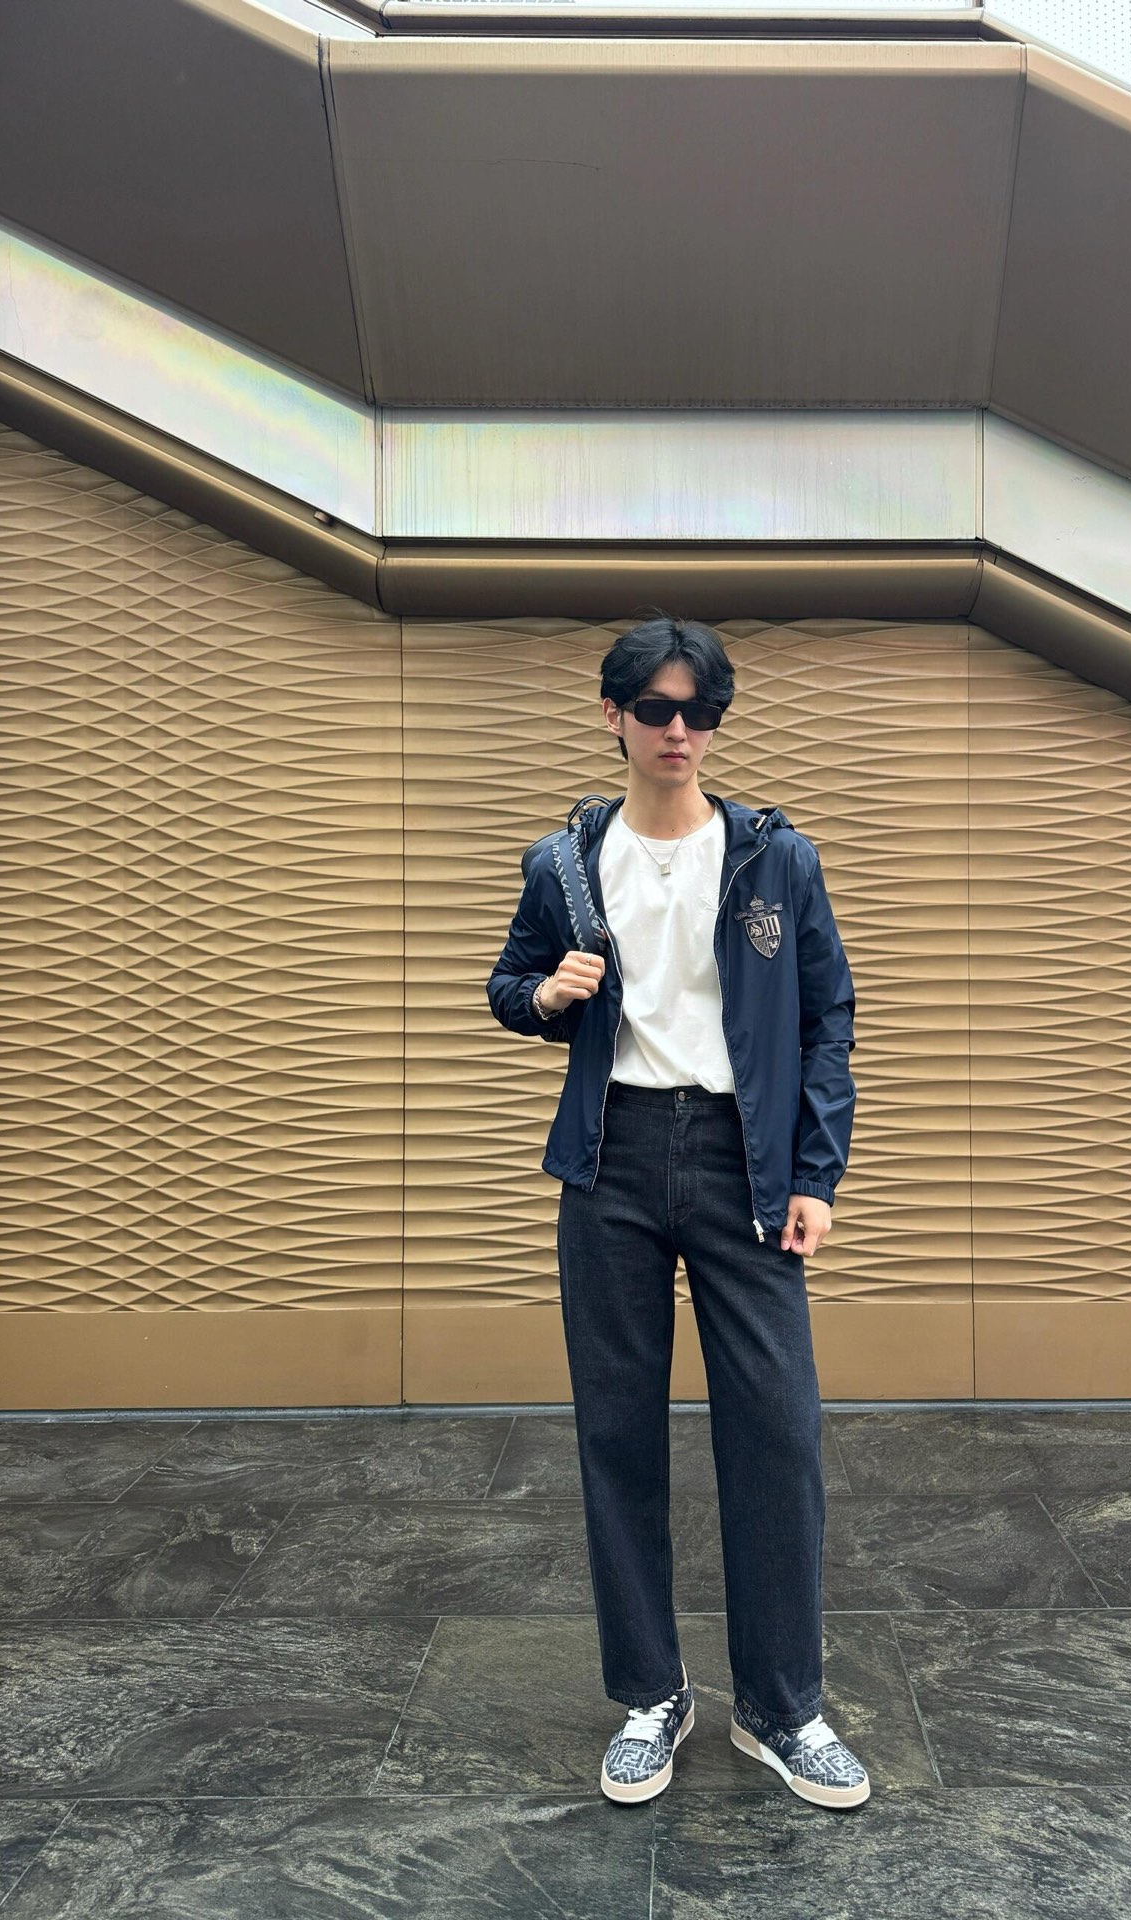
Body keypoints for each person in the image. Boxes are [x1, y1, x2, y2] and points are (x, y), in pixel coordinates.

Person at [485, 611, 869, 1810]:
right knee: (618, 1431)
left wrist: (815, 1175)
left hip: (744, 1162)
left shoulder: (773, 859)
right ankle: (652, 1694)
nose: (679, 731)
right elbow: (508, 984)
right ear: (613, 715)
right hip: (611, 1158)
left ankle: (781, 1708)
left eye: (700, 711)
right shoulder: (562, 863)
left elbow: (827, 1022)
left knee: (778, 1432)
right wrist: (546, 996)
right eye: (655, 708)